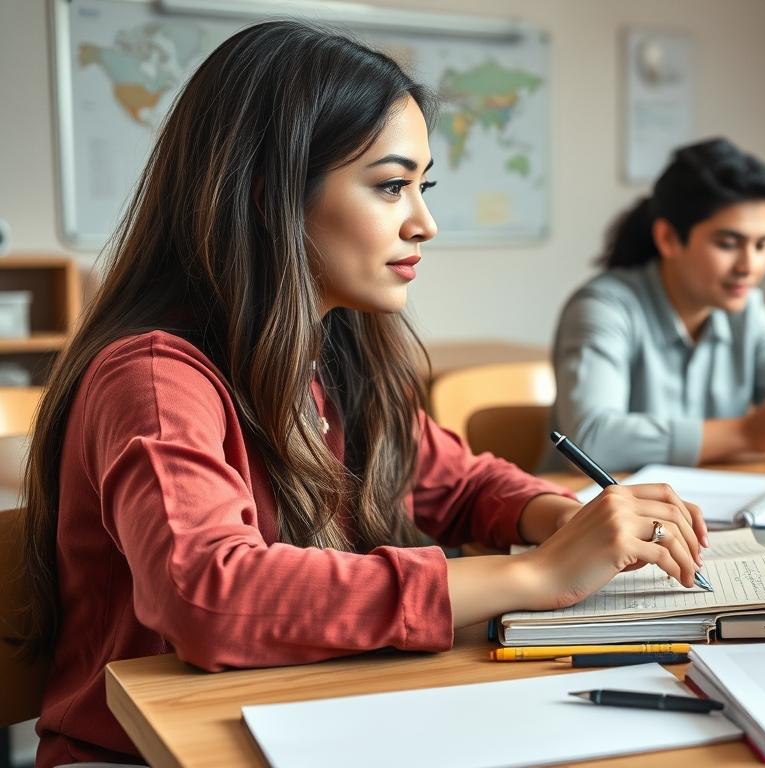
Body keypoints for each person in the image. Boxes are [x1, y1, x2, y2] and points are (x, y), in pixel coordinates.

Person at [18, 21, 706, 767]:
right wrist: (535, 575)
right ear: (265, 196)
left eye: (423, 185)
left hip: (298, 715)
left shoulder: (334, 349)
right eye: (390, 186)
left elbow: (460, 481)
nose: (426, 222)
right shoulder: (155, 377)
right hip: (139, 753)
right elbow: (209, 595)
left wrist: (564, 524)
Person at [541, 138, 765, 474]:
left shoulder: (748, 312)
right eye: (728, 244)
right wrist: (745, 434)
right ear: (668, 239)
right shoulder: (602, 308)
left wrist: (750, 436)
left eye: (762, 245)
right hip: (595, 513)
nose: (749, 265)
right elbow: (590, 440)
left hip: (703, 508)